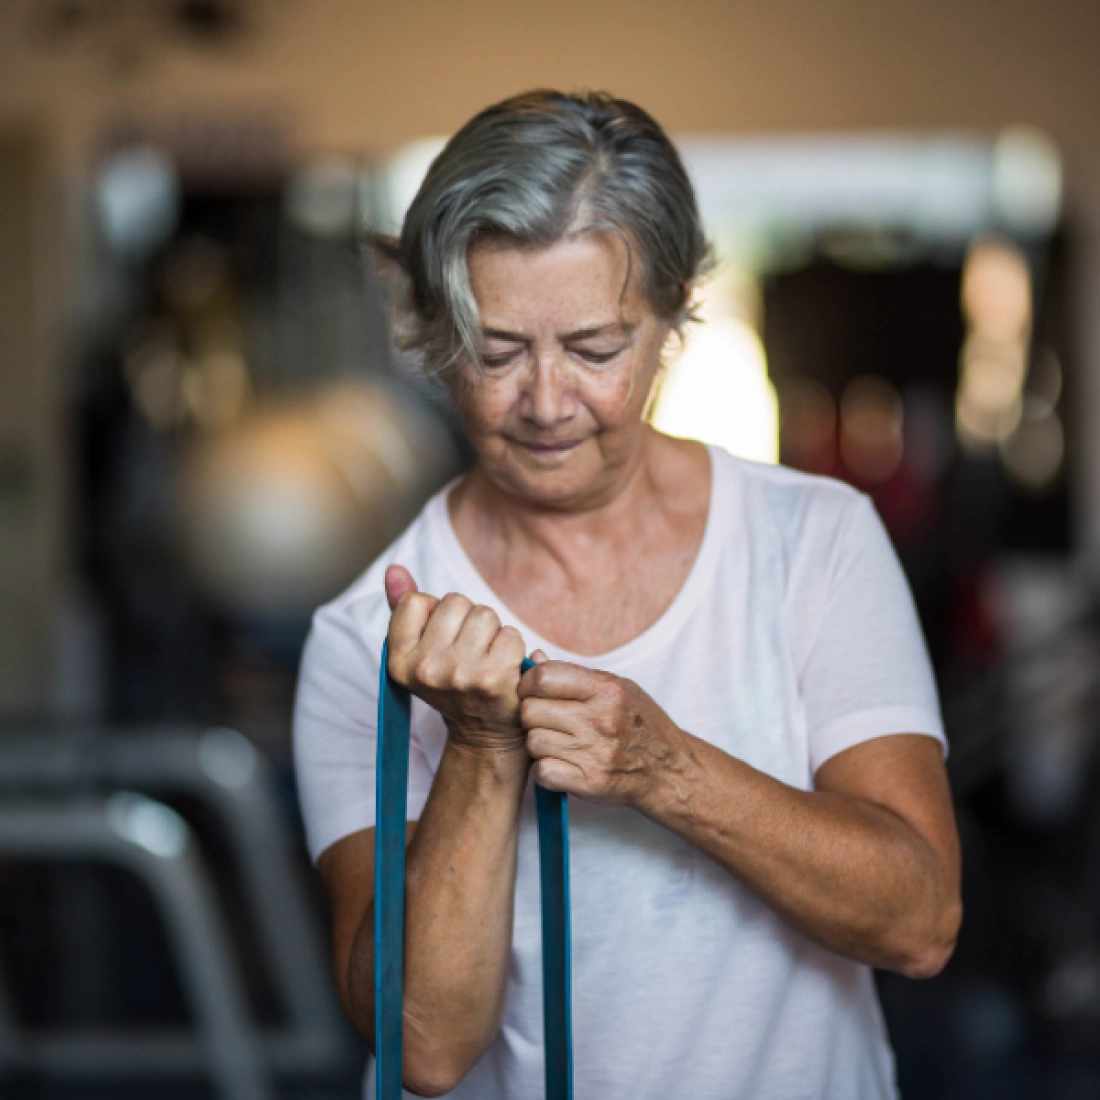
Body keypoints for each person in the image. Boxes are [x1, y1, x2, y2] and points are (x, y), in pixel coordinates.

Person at [293, 90, 961, 1100]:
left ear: (669, 317)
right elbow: (423, 1048)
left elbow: (918, 920)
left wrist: (664, 768)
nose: (548, 401)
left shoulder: (811, 541)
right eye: (498, 350)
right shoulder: (365, 639)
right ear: (433, 333)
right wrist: (477, 750)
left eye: (595, 349)